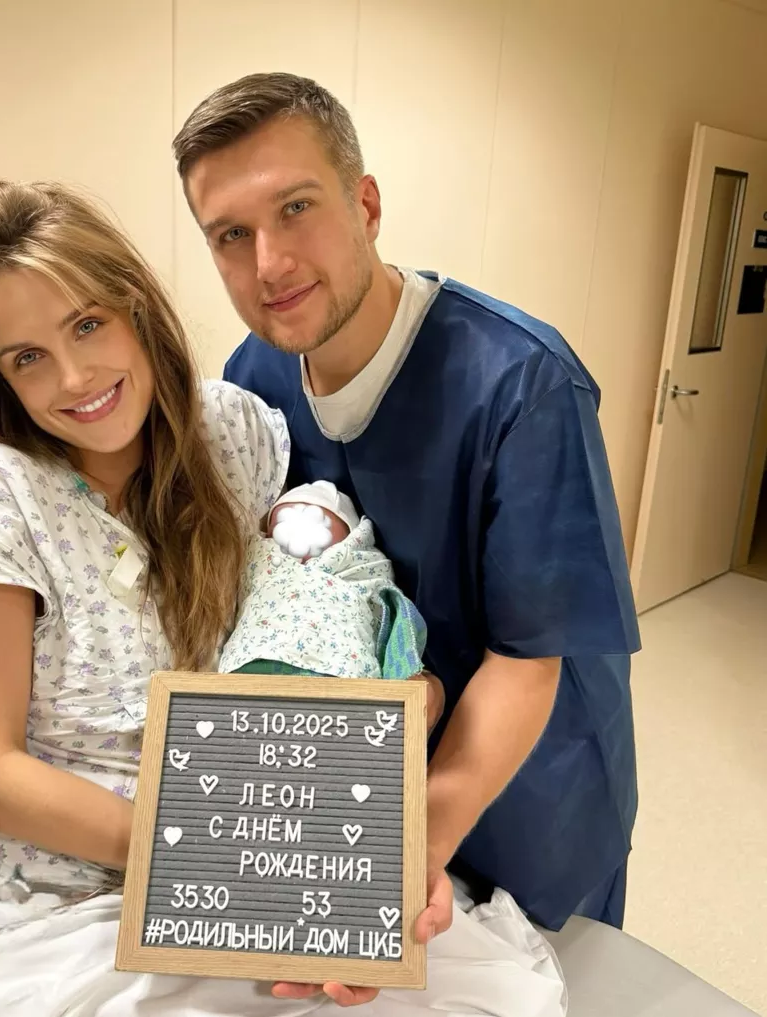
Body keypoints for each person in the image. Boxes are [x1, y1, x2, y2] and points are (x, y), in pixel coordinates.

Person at [0, 180, 566, 1017]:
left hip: (225, 851)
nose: (75, 377)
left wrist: (375, 760)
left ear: (136, 307)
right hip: (41, 893)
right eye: (27, 357)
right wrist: (217, 857)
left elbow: (307, 614)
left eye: (87, 324)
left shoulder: (231, 436)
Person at [174, 72, 641, 949]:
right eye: (231, 235)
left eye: (296, 208)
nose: (269, 264)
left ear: (367, 205)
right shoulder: (252, 380)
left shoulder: (522, 386)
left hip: (526, 796)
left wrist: (415, 837)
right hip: (365, 794)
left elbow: (527, 661)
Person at [221, 479, 432, 684]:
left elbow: (394, 610)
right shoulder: (258, 560)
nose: (297, 529)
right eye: (280, 523)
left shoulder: (362, 568)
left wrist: (405, 673)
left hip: (340, 671)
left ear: (353, 538)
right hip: (253, 660)